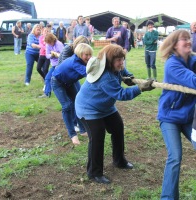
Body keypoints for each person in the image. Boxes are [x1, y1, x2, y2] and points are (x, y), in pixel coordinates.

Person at [75, 44, 154, 184]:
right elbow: (121, 94)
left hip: (105, 106)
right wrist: (140, 88)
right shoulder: (105, 76)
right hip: (89, 109)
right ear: (110, 60)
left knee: (117, 127)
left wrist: (128, 76)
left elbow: (122, 71)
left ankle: (119, 161)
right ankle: (94, 173)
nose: (121, 62)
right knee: (98, 136)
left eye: (122, 59)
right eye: (118, 60)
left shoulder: (113, 67)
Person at [157, 29, 196, 199]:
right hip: (170, 117)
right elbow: (193, 81)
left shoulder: (193, 60)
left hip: (188, 117)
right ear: (174, 46)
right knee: (175, 157)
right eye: (183, 39)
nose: (188, 41)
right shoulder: (172, 64)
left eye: (189, 38)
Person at [51, 43, 93, 145]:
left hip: (69, 83)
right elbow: (90, 74)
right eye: (86, 55)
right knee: (67, 106)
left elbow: (95, 64)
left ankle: (82, 130)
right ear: (79, 53)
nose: (88, 57)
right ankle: (73, 135)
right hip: (58, 82)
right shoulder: (76, 62)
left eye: (90, 55)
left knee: (77, 103)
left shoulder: (83, 60)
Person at [57, 35, 90, 132]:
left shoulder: (81, 54)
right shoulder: (68, 49)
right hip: (63, 78)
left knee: (78, 98)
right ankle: (74, 123)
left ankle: (81, 123)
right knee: (70, 103)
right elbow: (65, 64)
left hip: (73, 78)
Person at [41, 33, 64, 97]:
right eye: (48, 43)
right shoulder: (48, 45)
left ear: (53, 40)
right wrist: (52, 55)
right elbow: (47, 55)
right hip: (54, 65)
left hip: (61, 65)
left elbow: (63, 55)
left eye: (50, 42)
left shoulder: (59, 44)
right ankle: (47, 93)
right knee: (48, 78)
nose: (49, 44)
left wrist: (57, 54)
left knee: (59, 80)